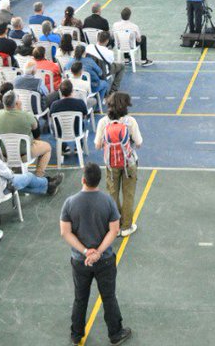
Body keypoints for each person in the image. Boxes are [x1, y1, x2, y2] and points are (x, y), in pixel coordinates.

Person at [61, 163, 131, 345]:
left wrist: (85, 251)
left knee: (80, 297)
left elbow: (65, 232)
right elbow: (114, 230)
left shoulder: (70, 202)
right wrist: (98, 252)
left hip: (80, 261)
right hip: (105, 260)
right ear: (98, 181)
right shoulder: (108, 201)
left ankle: (76, 334)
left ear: (83, 179)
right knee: (108, 297)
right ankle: (115, 333)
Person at [94, 93, 142, 236]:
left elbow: (97, 145)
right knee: (128, 194)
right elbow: (139, 142)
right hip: (129, 163)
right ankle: (126, 227)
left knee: (113, 194)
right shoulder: (130, 121)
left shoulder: (103, 122)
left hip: (111, 163)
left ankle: (116, 224)